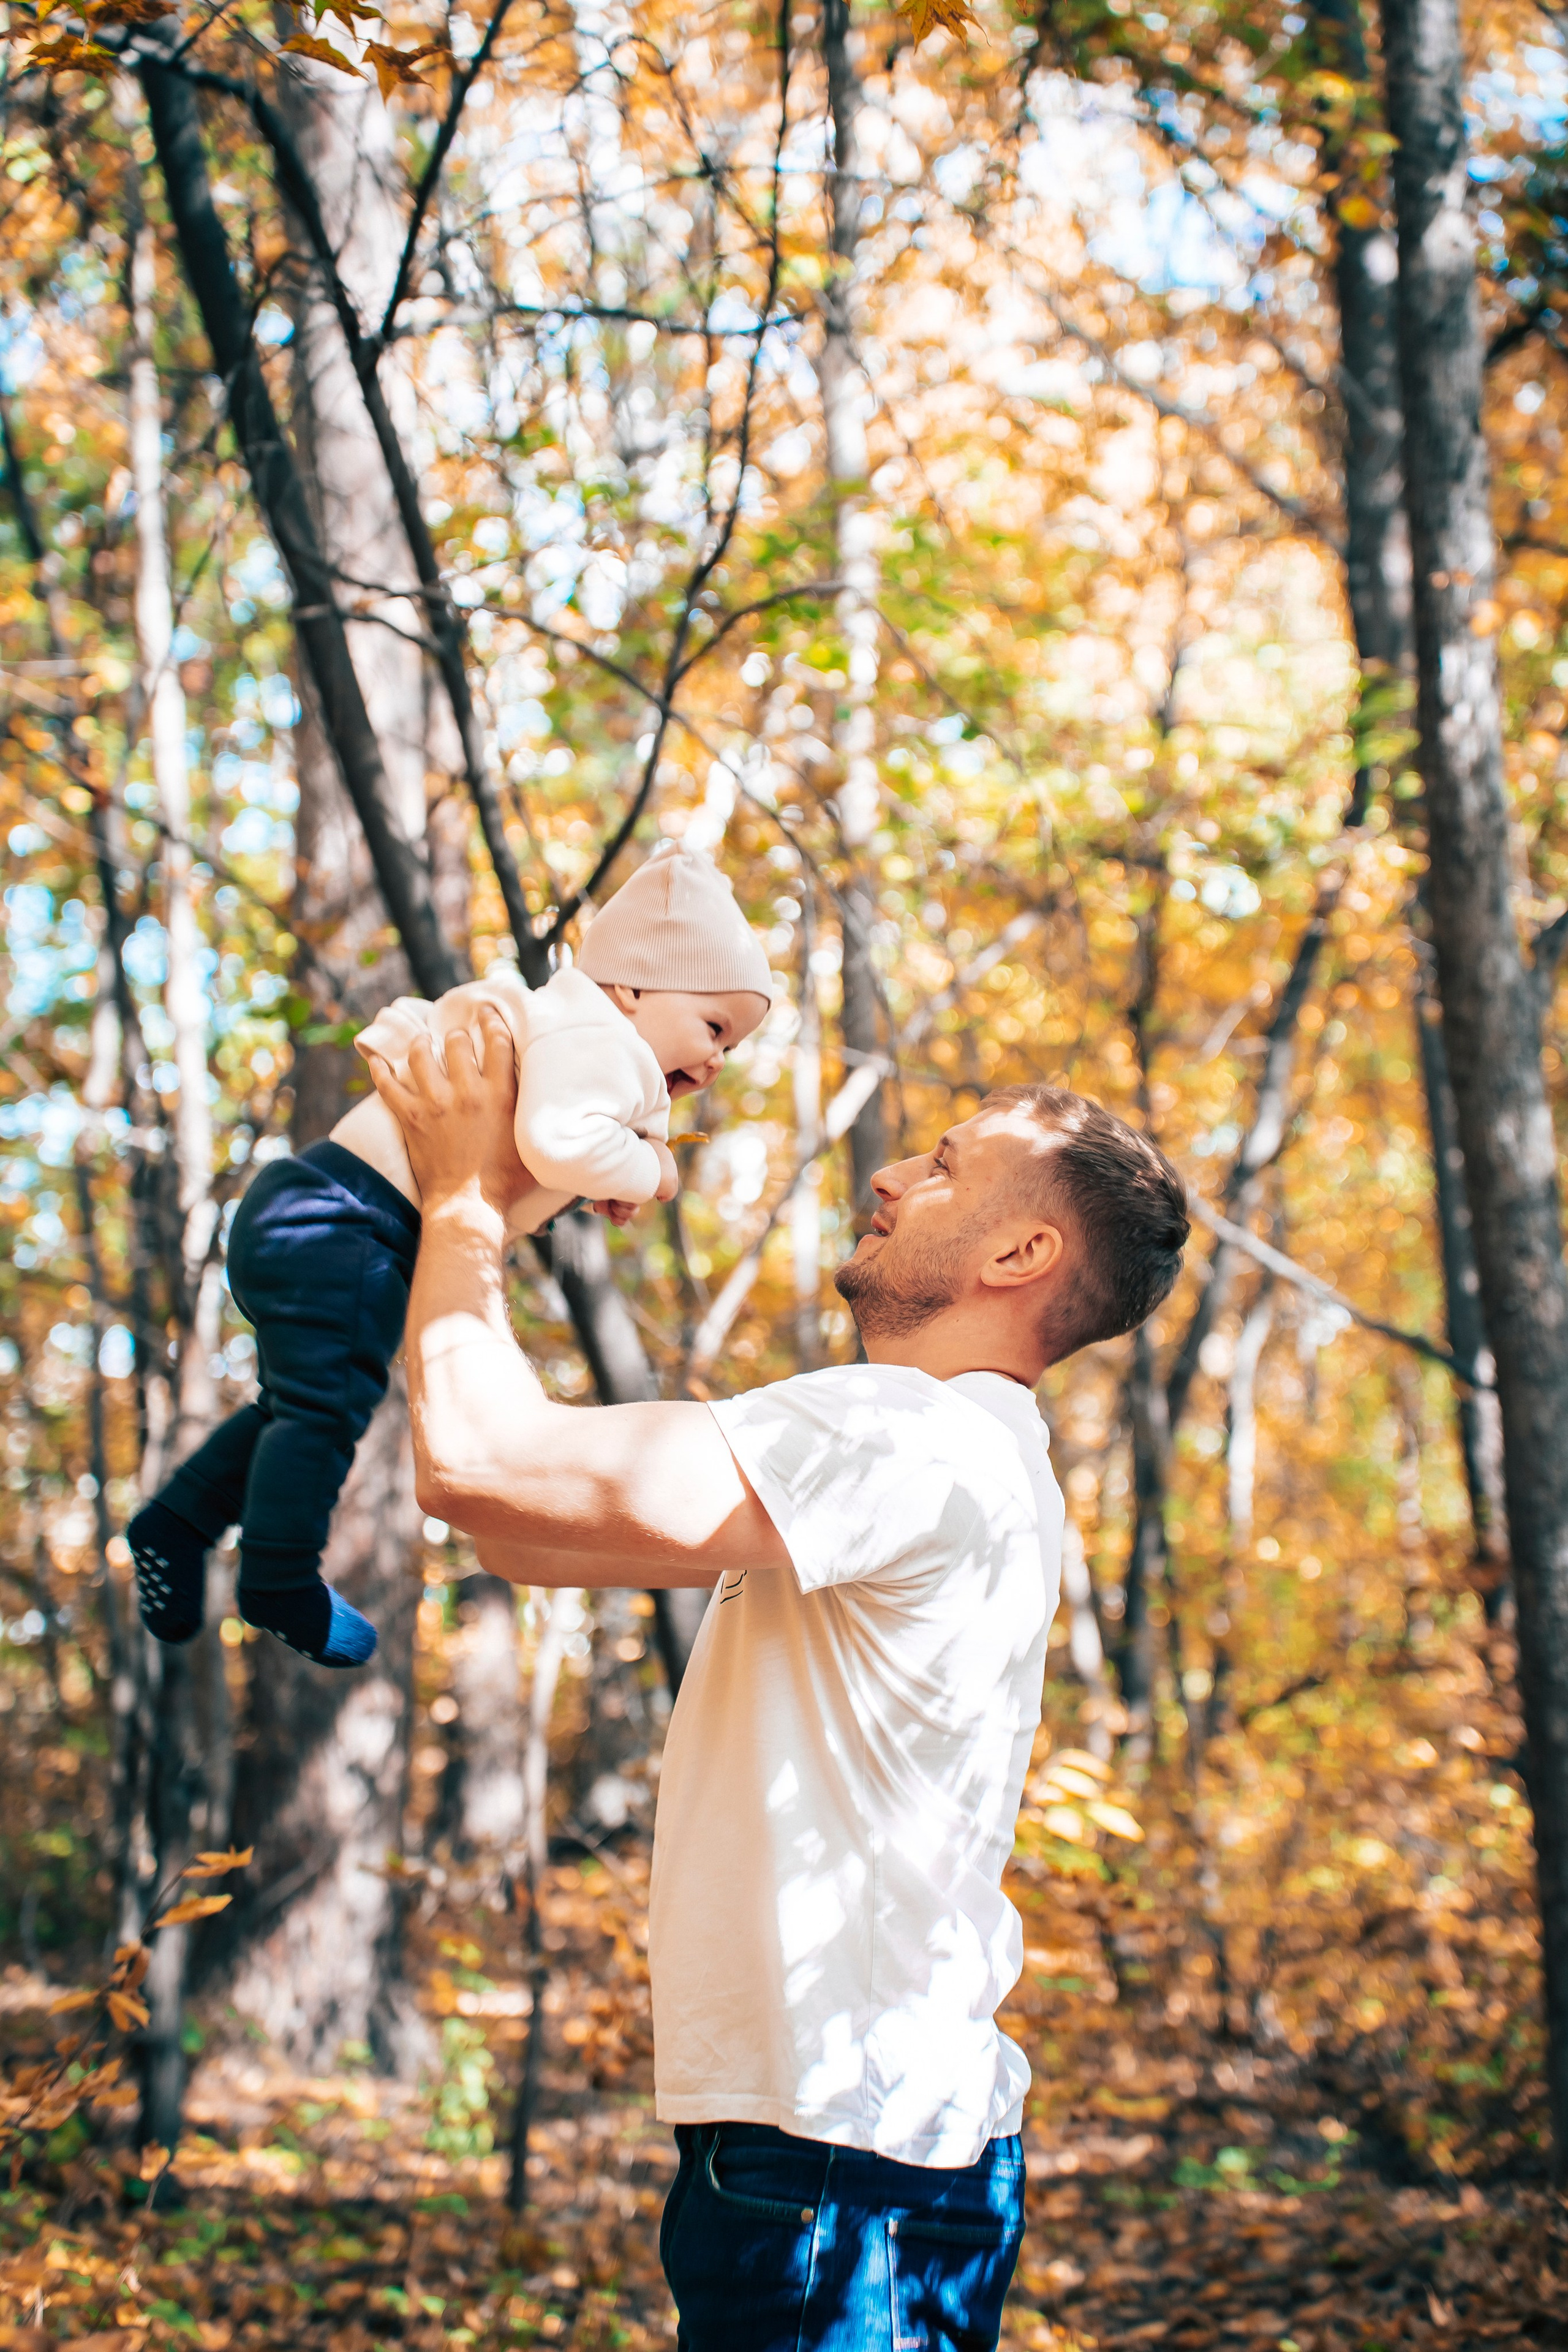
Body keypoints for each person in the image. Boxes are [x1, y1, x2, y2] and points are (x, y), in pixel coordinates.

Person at [366, 1008, 1189, 2352]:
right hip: (856, 2146)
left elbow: (477, 1469)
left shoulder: (910, 1436)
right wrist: (503, 1204)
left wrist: (462, 1195)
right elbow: (518, 1532)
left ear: (1019, 1254)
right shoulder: (969, 1455)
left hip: (838, 2160)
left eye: (941, 1165)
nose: (892, 1177)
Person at [127, 846, 771, 1667]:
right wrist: (653, 1171)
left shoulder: (571, 1037)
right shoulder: (601, 1041)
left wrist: (587, 1180)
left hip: (321, 1214)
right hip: (347, 1221)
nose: (715, 1061)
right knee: (322, 1412)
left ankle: (179, 1520)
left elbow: (529, 1154)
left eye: (731, 1049)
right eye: (713, 1028)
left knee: (301, 1407)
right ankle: (277, 1576)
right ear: (634, 989)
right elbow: (555, 1138)